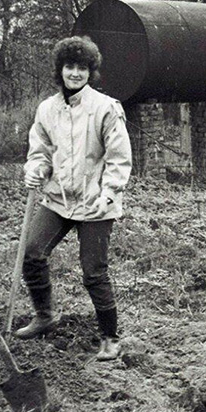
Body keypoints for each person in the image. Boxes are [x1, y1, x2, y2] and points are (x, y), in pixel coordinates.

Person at [14, 36, 132, 361]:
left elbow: (120, 158)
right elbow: (39, 150)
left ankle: (110, 337)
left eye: (82, 68)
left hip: (96, 203)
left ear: (90, 71)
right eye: (69, 67)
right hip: (58, 200)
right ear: (60, 70)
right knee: (32, 252)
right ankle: (44, 315)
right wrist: (35, 169)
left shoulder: (105, 108)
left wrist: (109, 195)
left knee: (93, 272)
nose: (75, 73)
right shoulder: (47, 109)